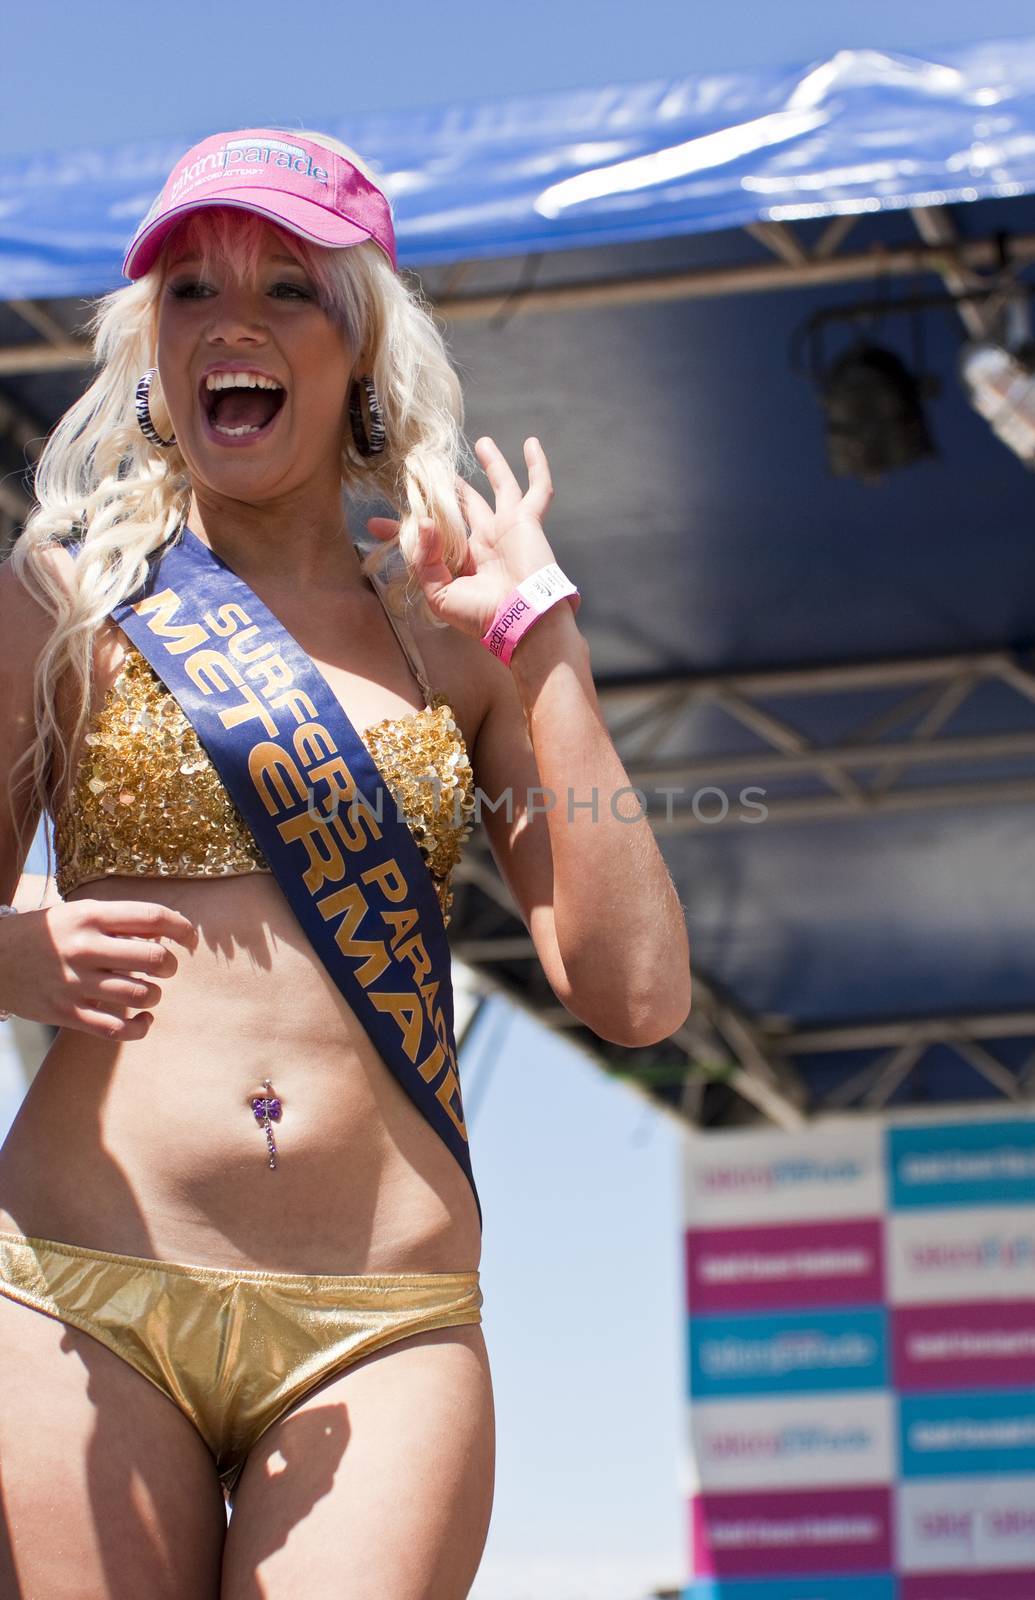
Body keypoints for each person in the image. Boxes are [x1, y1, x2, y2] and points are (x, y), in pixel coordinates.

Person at [0, 126, 692, 1598]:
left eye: (288, 291)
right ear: (152, 350)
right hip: (80, 1292)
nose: (232, 323)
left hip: (385, 1318)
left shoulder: (459, 627)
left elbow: (636, 994)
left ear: (363, 349)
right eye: (191, 290)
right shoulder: (62, 600)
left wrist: (543, 644)